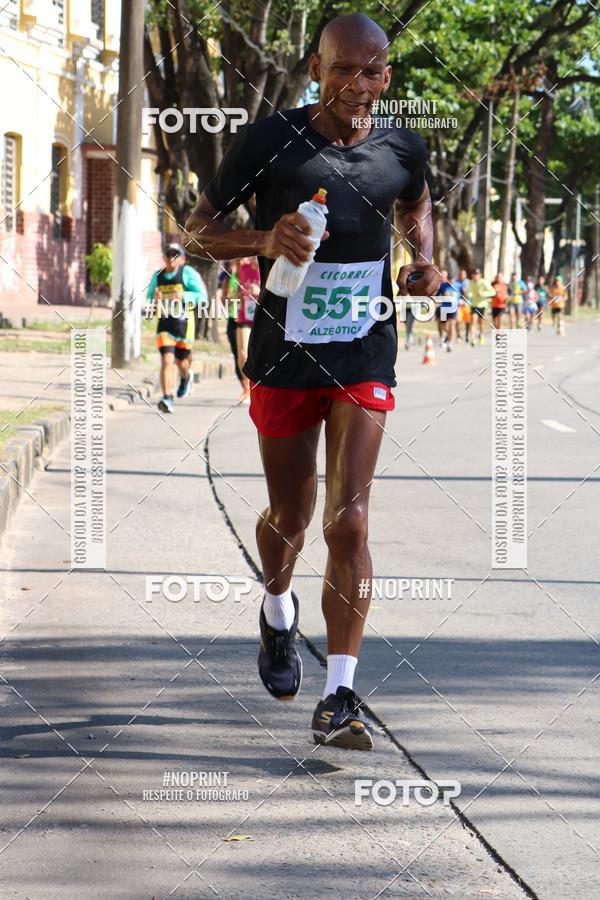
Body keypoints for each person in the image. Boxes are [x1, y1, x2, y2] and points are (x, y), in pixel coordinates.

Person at [185, 12, 441, 750]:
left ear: (386, 77)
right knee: (289, 521)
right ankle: (275, 609)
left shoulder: (402, 146)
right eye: (340, 69)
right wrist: (264, 237)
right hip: (283, 354)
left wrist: (423, 258)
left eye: (371, 72)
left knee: (349, 520)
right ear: (315, 67)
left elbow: (417, 203)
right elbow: (197, 230)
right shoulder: (269, 143)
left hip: (364, 354)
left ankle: (338, 696)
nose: (355, 85)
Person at [146, 243, 207, 413]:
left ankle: (186, 377)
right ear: (164, 257)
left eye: (175, 254)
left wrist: (184, 296)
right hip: (165, 324)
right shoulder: (157, 276)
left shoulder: (187, 273)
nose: (171, 257)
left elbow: (203, 297)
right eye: (168, 254)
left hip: (184, 325)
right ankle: (167, 398)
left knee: (181, 362)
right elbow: (149, 299)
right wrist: (154, 300)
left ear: (182, 258)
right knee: (166, 360)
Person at [236, 257, 261, 404]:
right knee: (242, 352)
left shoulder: (268, 269)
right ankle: (247, 388)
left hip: (262, 318)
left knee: (259, 354)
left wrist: (259, 291)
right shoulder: (243, 268)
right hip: (244, 315)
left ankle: (258, 387)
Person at [223, 261, 243, 386]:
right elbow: (225, 299)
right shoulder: (228, 278)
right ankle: (245, 388)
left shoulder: (247, 274)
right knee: (237, 353)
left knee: (245, 352)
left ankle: (249, 387)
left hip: (247, 319)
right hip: (233, 318)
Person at [465, 268, 494, 345]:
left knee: (481, 323)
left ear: (480, 275)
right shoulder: (471, 283)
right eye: (474, 275)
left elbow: (493, 292)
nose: (475, 276)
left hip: (482, 305)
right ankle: (473, 338)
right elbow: (470, 293)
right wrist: (469, 295)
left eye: (477, 275)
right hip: (474, 305)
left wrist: (483, 294)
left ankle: (481, 335)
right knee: (473, 320)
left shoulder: (484, 282)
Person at [437, 271, 459, 351]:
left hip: (453, 309)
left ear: (455, 279)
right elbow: (437, 295)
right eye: (449, 279)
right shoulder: (443, 286)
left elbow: (464, 294)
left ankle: (450, 344)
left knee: (452, 325)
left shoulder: (458, 286)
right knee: (444, 327)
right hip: (444, 308)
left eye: (452, 279)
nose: (451, 280)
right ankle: (448, 334)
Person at [453, 268, 469, 341]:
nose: (462, 276)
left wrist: (465, 301)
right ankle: (458, 335)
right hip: (459, 304)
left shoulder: (468, 282)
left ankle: (467, 335)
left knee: (467, 321)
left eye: (463, 274)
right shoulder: (457, 283)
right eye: (461, 274)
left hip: (467, 304)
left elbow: (468, 293)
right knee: (457, 320)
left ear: (465, 275)